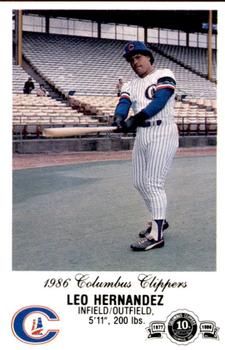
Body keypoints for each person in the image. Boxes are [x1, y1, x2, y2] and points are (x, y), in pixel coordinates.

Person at [112, 41, 179, 251]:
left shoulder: (164, 74)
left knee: (153, 183)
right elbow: (123, 103)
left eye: (139, 57)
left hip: (163, 131)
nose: (135, 62)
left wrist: (137, 118)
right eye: (132, 60)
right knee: (140, 183)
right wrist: (120, 118)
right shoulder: (130, 85)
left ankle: (157, 235)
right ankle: (160, 220)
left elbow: (160, 101)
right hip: (143, 134)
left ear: (149, 57)